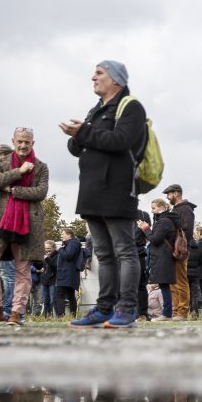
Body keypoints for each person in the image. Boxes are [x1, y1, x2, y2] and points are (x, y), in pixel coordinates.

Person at [60, 61, 146, 329]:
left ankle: (127, 308)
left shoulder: (131, 106)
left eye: (99, 73)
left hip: (118, 189)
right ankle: (104, 308)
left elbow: (122, 141)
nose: (93, 77)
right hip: (92, 190)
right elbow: (78, 148)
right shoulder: (95, 110)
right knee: (104, 254)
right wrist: (76, 137)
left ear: (116, 79)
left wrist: (83, 132)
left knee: (124, 251)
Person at [0, 128, 48, 326]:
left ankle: (16, 313)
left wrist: (14, 190)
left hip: (27, 224)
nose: (23, 145)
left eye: (27, 142)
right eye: (20, 141)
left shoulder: (41, 167)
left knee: (22, 269)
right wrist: (19, 172)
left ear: (33, 143)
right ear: (13, 142)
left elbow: (41, 192)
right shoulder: (0, 162)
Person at [137, 199, 180, 321]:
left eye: (154, 208)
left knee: (164, 286)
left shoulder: (164, 221)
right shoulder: (163, 220)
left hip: (163, 257)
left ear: (161, 207)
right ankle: (167, 314)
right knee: (164, 285)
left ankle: (167, 315)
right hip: (162, 257)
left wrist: (145, 228)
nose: (152, 210)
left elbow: (155, 239)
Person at [162, 184, 196, 321]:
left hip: (180, 251)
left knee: (181, 282)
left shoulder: (186, 209)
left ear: (176, 193)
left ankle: (182, 312)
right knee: (173, 282)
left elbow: (186, 232)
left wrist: (180, 249)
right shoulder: (175, 209)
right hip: (171, 251)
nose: (167, 197)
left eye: (168, 194)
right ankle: (176, 311)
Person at [54, 228, 82, 317]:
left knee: (59, 294)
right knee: (70, 295)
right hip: (70, 274)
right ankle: (73, 315)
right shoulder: (72, 243)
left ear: (69, 235)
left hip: (66, 274)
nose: (61, 235)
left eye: (63, 234)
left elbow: (68, 255)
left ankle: (60, 315)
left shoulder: (72, 243)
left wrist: (61, 249)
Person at [39, 241, 57, 317]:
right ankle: (46, 316)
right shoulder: (44, 255)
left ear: (54, 248)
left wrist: (47, 259)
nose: (47, 250)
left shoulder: (57, 256)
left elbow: (55, 267)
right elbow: (40, 266)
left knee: (52, 300)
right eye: (46, 248)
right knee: (45, 300)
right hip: (44, 280)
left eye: (49, 248)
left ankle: (52, 315)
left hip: (53, 280)